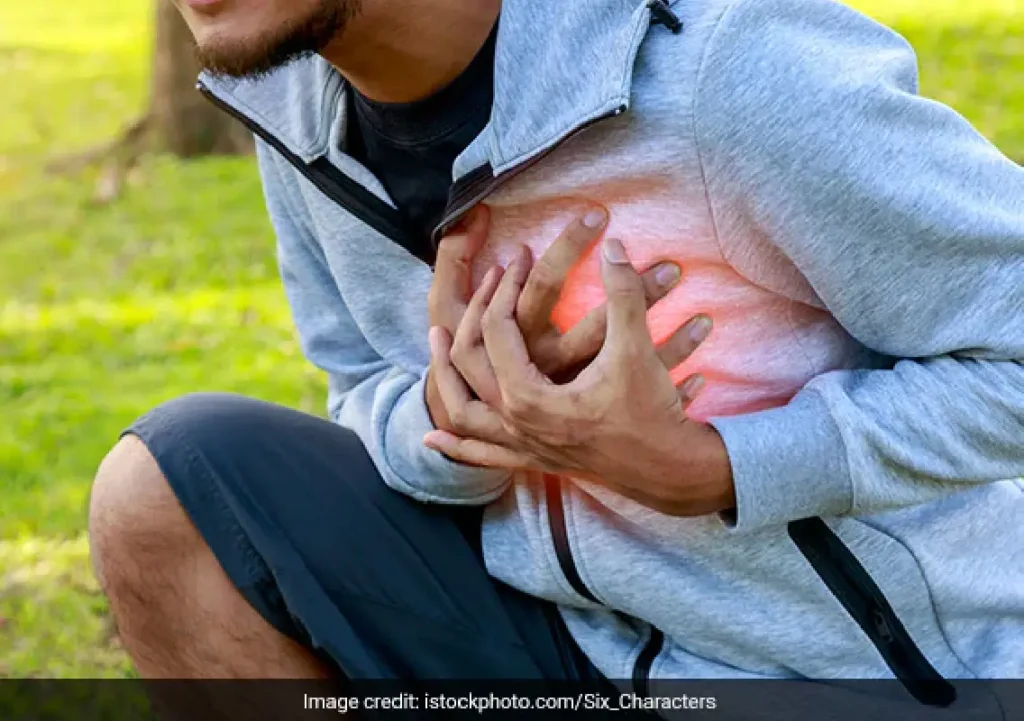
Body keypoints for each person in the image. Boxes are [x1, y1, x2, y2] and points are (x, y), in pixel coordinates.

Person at [87, 0, 1023, 711]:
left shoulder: (725, 63)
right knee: (158, 492)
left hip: (873, 675)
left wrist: (715, 468)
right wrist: (453, 418)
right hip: (560, 648)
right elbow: (362, 382)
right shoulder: (288, 104)